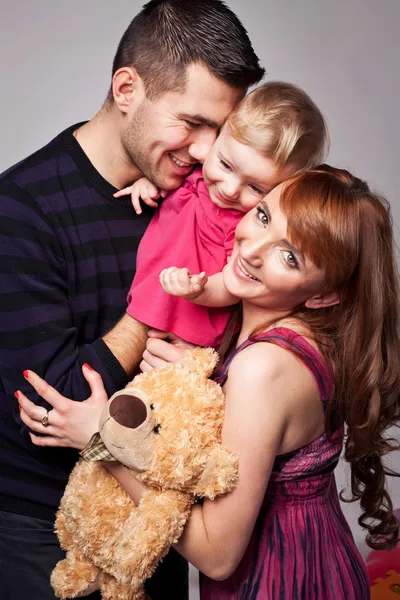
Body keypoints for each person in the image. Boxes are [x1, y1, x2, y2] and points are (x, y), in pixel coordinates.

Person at [19, 165, 400, 599]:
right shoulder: (293, 339)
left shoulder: (262, 367)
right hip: (321, 564)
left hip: (278, 581)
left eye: (289, 255)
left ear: (324, 295)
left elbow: (218, 555)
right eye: (262, 215)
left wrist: (101, 441)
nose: (252, 249)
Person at [0, 1, 265, 598]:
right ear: (127, 88)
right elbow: (53, 407)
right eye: (191, 122)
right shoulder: (20, 209)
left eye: (218, 132)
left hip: (161, 518)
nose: (205, 153)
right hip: (47, 535)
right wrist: (156, 309)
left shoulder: (209, 194)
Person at [118, 81, 329, 347]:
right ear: (217, 138)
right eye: (226, 165)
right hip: (147, 296)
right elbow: (167, 183)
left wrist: (200, 290)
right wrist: (149, 182)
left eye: (255, 187)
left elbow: (233, 284)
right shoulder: (193, 174)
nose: (230, 190)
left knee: (163, 379)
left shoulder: (246, 225)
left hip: (189, 320)